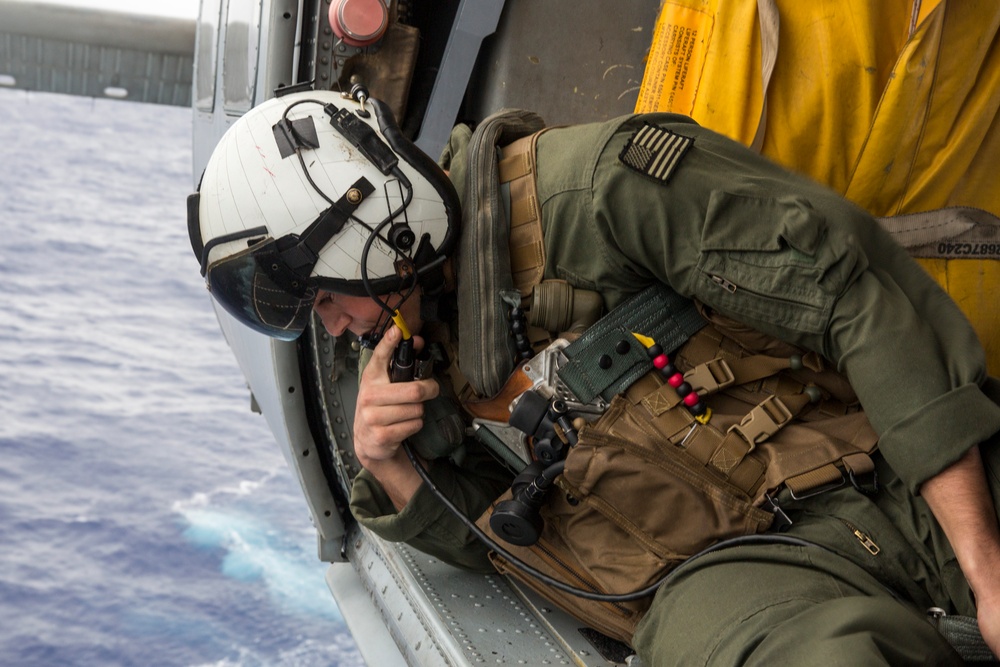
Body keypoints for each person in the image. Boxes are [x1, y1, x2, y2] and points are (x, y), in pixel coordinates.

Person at [188, 88, 1000, 665]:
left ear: (376, 225)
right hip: (728, 580)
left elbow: (858, 296)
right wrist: (391, 463)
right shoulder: (401, 343)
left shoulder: (603, 190)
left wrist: (983, 566)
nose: (332, 328)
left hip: (879, 466)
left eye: (327, 299)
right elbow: (499, 540)